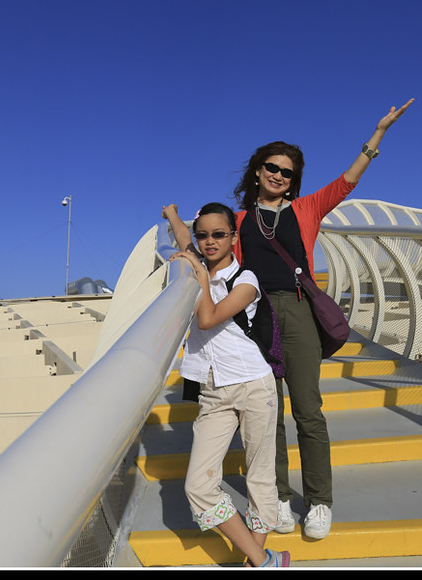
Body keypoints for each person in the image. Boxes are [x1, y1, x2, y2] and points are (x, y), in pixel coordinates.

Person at [231, 99, 415, 540]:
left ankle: (319, 501)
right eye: (272, 167)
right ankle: (276, 497)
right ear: (257, 171)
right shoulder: (237, 220)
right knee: (265, 414)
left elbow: (347, 181)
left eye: (287, 172)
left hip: (297, 312)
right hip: (255, 316)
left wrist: (379, 132)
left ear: (294, 181)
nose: (279, 175)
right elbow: (212, 251)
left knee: (308, 411)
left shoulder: (305, 210)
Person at [161, 202, 291, 568]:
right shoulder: (198, 257)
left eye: (219, 234)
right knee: (198, 486)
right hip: (213, 389)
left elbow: (208, 318)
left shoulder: (246, 280)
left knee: (260, 475)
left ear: (233, 237)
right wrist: (172, 215)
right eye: (203, 235)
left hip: (253, 385)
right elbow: (184, 237)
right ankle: (264, 560)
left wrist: (199, 276)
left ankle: (256, 562)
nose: (209, 242)